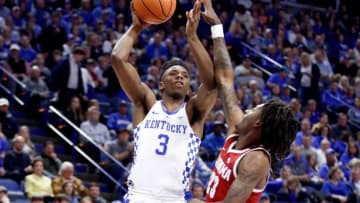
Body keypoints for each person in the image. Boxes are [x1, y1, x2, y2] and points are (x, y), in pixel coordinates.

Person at [191, 1, 298, 202]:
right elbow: (224, 78)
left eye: (255, 109)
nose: (248, 109)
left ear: (259, 123)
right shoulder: (236, 132)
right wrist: (216, 27)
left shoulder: (257, 159)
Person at [111, 1, 217, 202]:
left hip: (174, 197)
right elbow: (118, 59)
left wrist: (192, 37)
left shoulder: (193, 113)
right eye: (174, 73)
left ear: (189, 88)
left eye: (185, 75)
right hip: (138, 196)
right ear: (161, 85)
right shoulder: (146, 104)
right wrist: (136, 27)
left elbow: (212, 84)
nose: (179, 77)